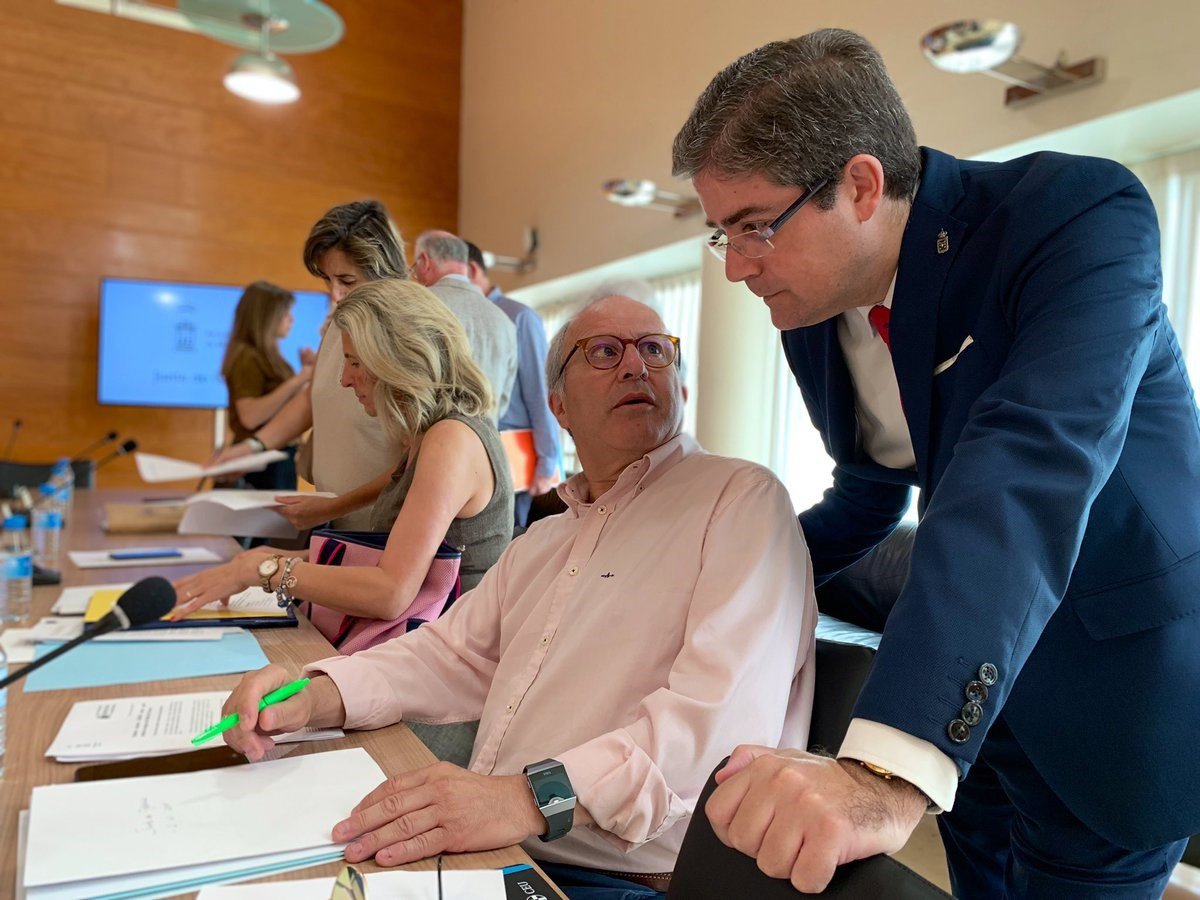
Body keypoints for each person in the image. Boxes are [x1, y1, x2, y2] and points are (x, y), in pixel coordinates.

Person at [672, 28, 1200, 897]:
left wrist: (888, 765)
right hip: (974, 717)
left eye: (754, 227)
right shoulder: (814, 313)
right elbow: (870, 493)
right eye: (721, 235)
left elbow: (1026, 465)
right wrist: (715, 583)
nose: (735, 269)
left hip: (1111, 690)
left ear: (860, 185)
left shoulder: (1072, 216)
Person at [215, 295, 817, 900]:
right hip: (502, 847)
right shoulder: (547, 540)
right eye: (605, 352)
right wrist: (315, 695)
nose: (636, 366)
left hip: (628, 878)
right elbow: (448, 656)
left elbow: (715, 729)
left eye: (655, 349)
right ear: (558, 405)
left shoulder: (740, 500)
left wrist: (524, 799)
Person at [175, 278, 512, 621]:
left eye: (354, 362)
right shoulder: (432, 434)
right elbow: (390, 565)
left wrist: (268, 570)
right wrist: (271, 561)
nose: (345, 380)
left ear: (396, 359)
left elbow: (389, 593)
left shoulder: (449, 440)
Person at [213, 200, 409, 530]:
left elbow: (416, 458)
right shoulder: (338, 322)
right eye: (328, 280)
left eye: (346, 280)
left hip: (381, 524)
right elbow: (312, 399)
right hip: (337, 517)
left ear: (382, 269)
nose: (335, 294)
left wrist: (332, 507)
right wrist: (253, 446)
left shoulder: (406, 331)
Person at [465, 240, 561, 526]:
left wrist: (547, 462)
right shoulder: (465, 319)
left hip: (515, 456)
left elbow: (540, 392)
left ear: (472, 270)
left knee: (508, 537)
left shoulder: (519, 316)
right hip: (475, 453)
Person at [411, 231, 518, 421]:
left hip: (429, 434)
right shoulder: (504, 322)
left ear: (425, 261)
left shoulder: (414, 307)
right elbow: (502, 403)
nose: (415, 275)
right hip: (485, 435)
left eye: (414, 267)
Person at [219, 280, 314, 492]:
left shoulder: (272, 356)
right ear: (267, 316)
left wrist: (305, 376)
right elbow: (250, 416)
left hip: (277, 454)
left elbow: (289, 406)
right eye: (285, 313)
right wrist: (299, 379)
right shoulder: (247, 356)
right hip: (259, 461)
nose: (292, 319)